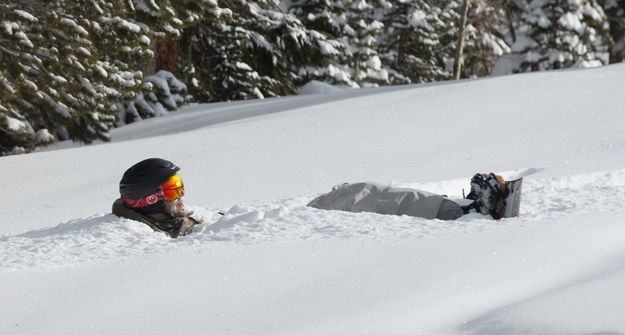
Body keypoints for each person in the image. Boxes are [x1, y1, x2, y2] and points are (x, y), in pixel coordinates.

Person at [308, 173, 509, 220]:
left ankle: (461, 207)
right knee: (372, 194)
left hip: (328, 201)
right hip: (324, 206)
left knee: (376, 192)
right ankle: (466, 211)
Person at [112, 158, 202, 237]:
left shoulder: (189, 220)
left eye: (178, 184)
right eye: (171, 191)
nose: (182, 193)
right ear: (151, 202)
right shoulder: (139, 239)